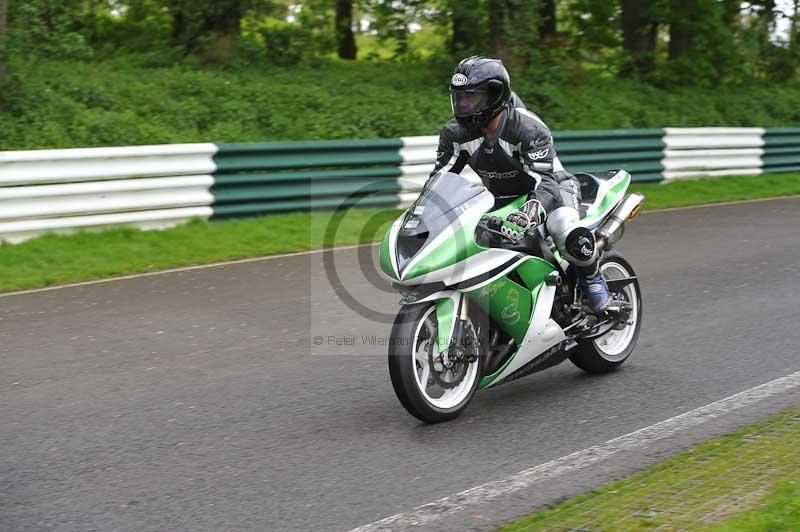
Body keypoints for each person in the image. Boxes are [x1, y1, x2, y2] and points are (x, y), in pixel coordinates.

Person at [429, 55, 610, 313]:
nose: (464, 105)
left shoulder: (527, 128)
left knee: (563, 228)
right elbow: (440, 179)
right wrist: (422, 216)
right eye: (460, 98)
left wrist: (530, 211)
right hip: (501, 199)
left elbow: (544, 180)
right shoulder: (455, 134)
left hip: (553, 190)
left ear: (495, 96)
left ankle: (592, 277)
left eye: (473, 98)